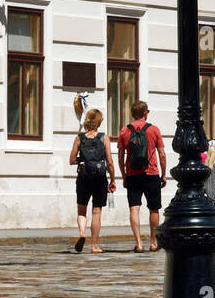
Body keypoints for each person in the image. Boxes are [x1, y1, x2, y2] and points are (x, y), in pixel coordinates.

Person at [118, 100, 166, 253]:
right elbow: (162, 155)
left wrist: (124, 175)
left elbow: (120, 157)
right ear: (145, 113)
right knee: (154, 209)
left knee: (134, 208)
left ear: (132, 114)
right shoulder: (154, 130)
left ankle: (138, 243)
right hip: (151, 173)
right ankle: (153, 242)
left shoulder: (125, 131)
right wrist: (163, 174)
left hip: (133, 174)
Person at [70, 108, 115, 254]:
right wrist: (112, 180)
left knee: (81, 210)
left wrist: (82, 160)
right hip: (100, 178)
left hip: (83, 177)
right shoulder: (104, 138)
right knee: (96, 212)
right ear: (99, 122)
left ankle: (82, 233)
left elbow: (71, 160)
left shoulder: (79, 138)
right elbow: (109, 162)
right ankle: (94, 245)